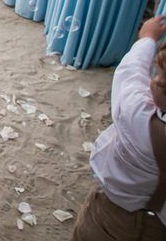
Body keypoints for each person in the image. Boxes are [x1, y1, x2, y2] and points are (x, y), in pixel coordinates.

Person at [71, 16, 166, 240]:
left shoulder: (137, 115)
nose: (154, 79)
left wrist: (148, 38)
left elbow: (130, 73)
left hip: (110, 216)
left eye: (159, 75)